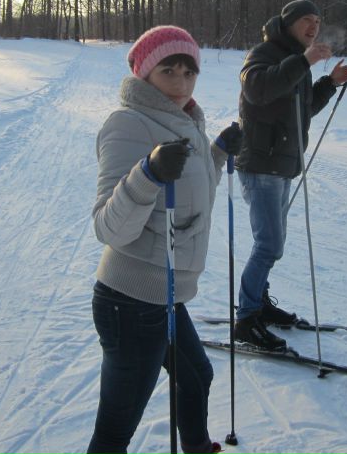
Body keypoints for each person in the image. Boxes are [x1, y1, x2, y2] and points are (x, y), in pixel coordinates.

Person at [88, 25, 242, 454]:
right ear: (144, 73)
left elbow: (195, 194)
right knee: (117, 429)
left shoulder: (185, 120)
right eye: (168, 70)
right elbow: (109, 227)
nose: (180, 83)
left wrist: (218, 153)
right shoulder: (127, 124)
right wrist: (148, 175)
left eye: (189, 71)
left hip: (166, 292)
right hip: (131, 301)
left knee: (197, 378)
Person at [233, 0, 347, 350]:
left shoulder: (297, 62)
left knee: (273, 244)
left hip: (281, 166)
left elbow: (302, 111)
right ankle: (246, 320)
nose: (314, 26)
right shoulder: (264, 54)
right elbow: (258, 90)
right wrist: (304, 61)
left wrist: (328, 83)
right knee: (268, 244)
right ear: (288, 22)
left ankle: (259, 306)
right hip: (261, 165)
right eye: (306, 19)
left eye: (318, 20)